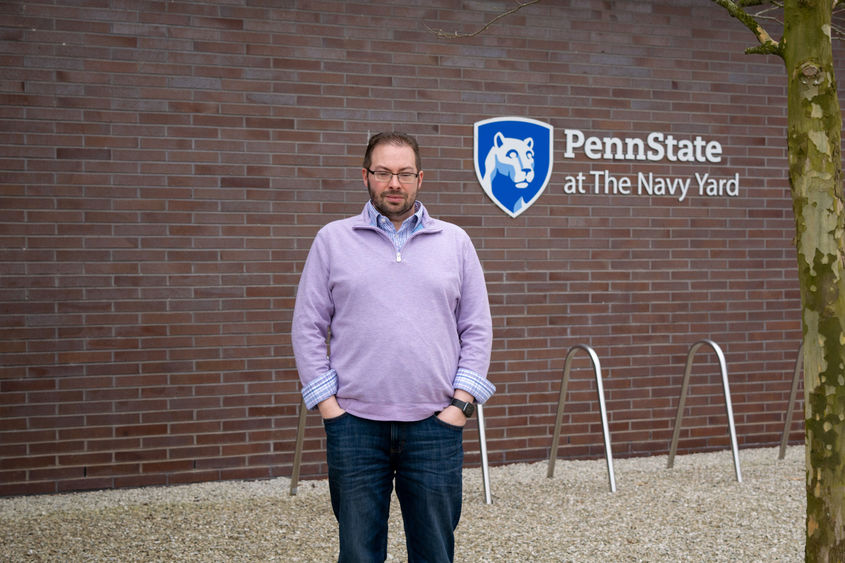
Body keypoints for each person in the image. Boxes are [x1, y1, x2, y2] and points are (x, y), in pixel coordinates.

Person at [291, 131, 495, 562]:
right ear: (365, 176)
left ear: (421, 178)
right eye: (383, 172)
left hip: (434, 428)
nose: (394, 183)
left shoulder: (455, 242)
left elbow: (476, 328)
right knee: (359, 553)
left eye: (404, 173)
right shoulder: (332, 240)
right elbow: (308, 327)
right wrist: (329, 408)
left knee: (435, 553)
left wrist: (460, 407)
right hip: (355, 427)